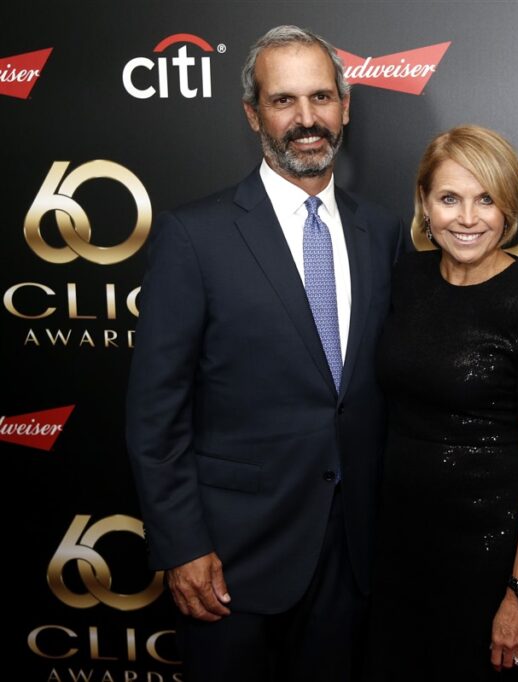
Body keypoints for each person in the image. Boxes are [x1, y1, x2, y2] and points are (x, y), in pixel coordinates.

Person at [125, 25, 404, 682]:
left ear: (345, 106)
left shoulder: (382, 231)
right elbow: (155, 413)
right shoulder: (193, 236)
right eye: (284, 101)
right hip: (230, 560)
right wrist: (183, 546)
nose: (307, 119)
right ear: (253, 114)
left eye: (321, 97)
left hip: (351, 557)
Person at [370, 125, 518, 680]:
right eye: (449, 198)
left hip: (489, 558)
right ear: (424, 204)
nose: (467, 218)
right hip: (396, 549)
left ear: (509, 208)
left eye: (485, 199)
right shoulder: (405, 279)